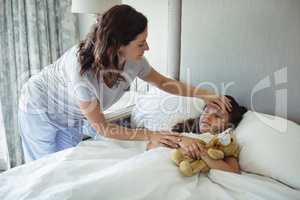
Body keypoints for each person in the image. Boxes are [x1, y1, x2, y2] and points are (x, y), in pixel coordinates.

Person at [18, 5, 231, 163]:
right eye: (140, 43)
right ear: (117, 46)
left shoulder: (134, 60)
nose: (146, 47)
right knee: (43, 168)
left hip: (73, 115)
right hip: (40, 108)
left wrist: (205, 95)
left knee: (64, 166)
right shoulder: (82, 73)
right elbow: (102, 128)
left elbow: (164, 82)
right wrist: (151, 134)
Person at [147, 95, 247, 173]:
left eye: (217, 116)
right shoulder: (183, 131)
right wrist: (181, 140)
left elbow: (233, 173)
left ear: (228, 125)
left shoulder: (224, 143)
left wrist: (202, 152)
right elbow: (150, 148)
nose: (207, 117)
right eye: (206, 111)